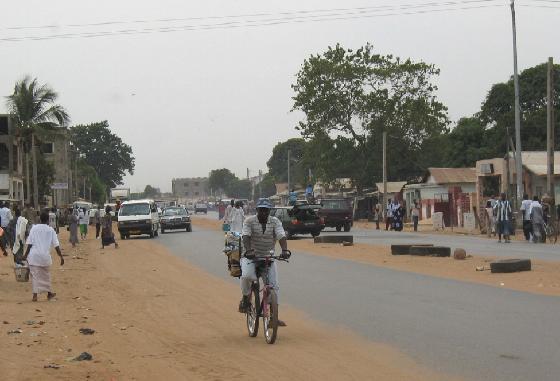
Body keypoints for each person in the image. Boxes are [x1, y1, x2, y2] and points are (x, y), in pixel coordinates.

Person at [239, 198, 290, 326]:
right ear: (257, 210)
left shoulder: (275, 221)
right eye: (261, 210)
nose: (264, 213)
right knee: (246, 276)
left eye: (266, 211)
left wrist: (285, 250)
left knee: (274, 286)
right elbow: (246, 236)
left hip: (268, 258)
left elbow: (281, 235)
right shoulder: (249, 221)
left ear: (269, 211)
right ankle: (246, 298)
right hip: (250, 257)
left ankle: (273, 317)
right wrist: (249, 250)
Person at [22, 211, 64, 302]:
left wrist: (25, 255)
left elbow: (29, 244)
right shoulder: (51, 230)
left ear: (40, 219)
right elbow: (56, 246)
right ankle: (49, 294)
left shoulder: (34, 228)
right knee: (46, 276)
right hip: (45, 257)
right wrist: (61, 256)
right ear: (48, 220)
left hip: (34, 256)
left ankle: (35, 296)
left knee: (35, 276)